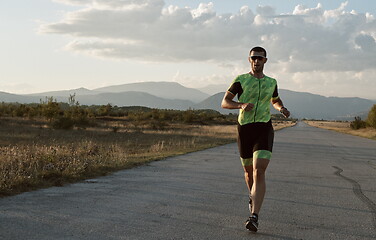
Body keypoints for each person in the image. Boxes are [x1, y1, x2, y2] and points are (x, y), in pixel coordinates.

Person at [221, 46, 290, 232]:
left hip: (263, 127)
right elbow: (225, 102)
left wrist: (281, 108)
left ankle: (254, 216)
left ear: (265, 60)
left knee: (259, 171)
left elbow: (275, 100)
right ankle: (253, 195)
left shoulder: (271, 82)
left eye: (260, 58)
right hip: (245, 130)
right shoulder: (241, 80)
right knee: (249, 173)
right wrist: (240, 105)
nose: (256, 61)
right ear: (249, 60)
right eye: (253, 58)